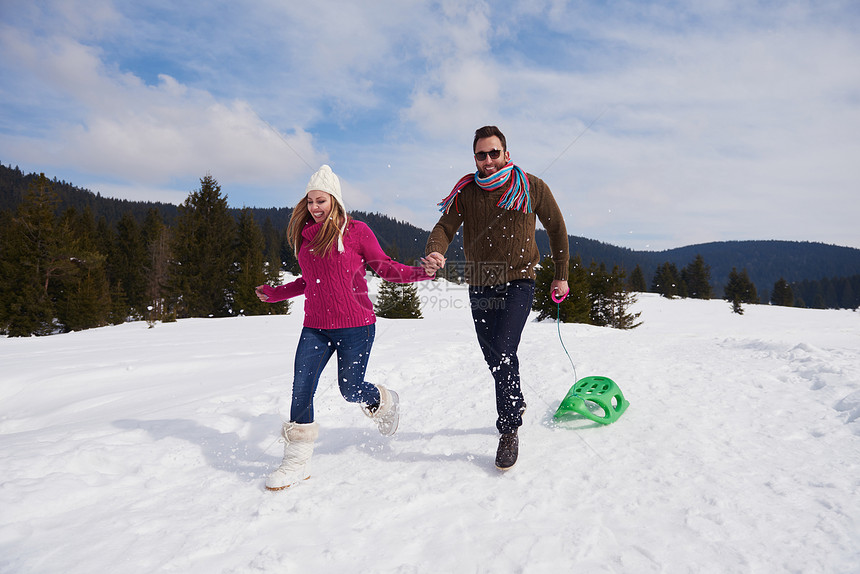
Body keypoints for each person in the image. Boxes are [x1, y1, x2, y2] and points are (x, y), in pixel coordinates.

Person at [256, 164, 436, 491]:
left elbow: (386, 268)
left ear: (335, 201)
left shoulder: (357, 232)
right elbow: (308, 280)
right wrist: (275, 293)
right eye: (310, 201)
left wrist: (422, 273)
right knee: (301, 386)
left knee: (350, 390)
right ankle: (296, 462)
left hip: (356, 326)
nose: (314, 207)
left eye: (321, 201)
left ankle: (384, 400)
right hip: (316, 327)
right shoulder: (304, 236)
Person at [422, 126, 570, 470]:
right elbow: (445, 227)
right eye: (480, 154)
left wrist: (560, 274)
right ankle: (515, 402)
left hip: (520, 278)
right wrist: (435, 251)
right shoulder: (468, 192)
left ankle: (508, 429)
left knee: (504, 352)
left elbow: (557, 227)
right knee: (493, 357)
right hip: (480, 280)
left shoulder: (530, 186)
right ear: (474, 157)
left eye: (493, 153)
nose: (487, 161)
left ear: (506, 153)